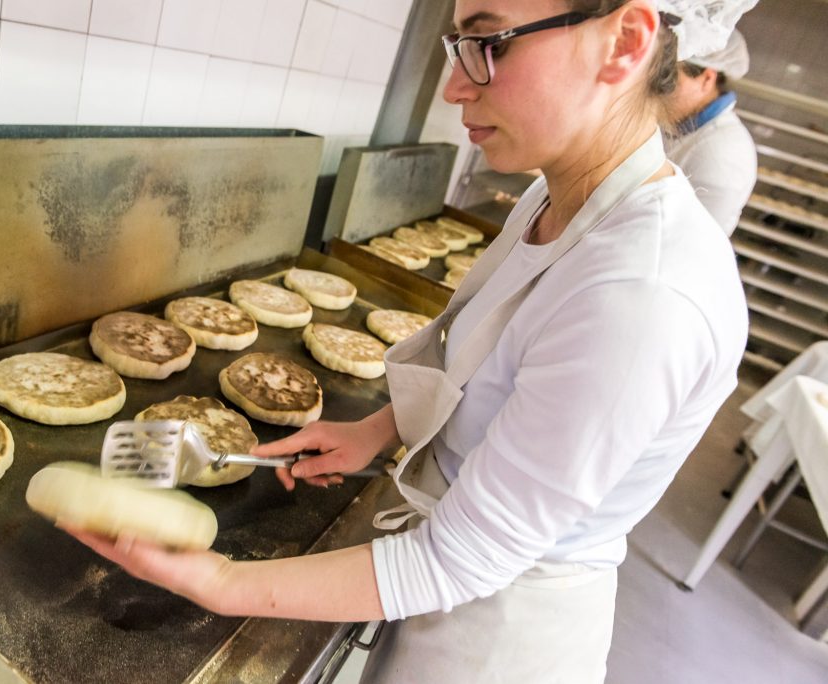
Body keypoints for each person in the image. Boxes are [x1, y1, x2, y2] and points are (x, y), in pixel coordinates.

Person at [63, 1, 752, 681]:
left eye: (489, 43)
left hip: (493, 642)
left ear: (624, 42)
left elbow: (458, 560)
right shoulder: (558, 201)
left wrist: (217, 582)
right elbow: (485, 359)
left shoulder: (643, 293)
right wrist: (381, 427)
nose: (454, 87)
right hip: (450, 586)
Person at [664, 29, 758, 234]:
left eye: (670, 80)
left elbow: (687, 241)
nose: (659, 93)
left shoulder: (722, 155)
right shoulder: (682, 124)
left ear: (707, 79)